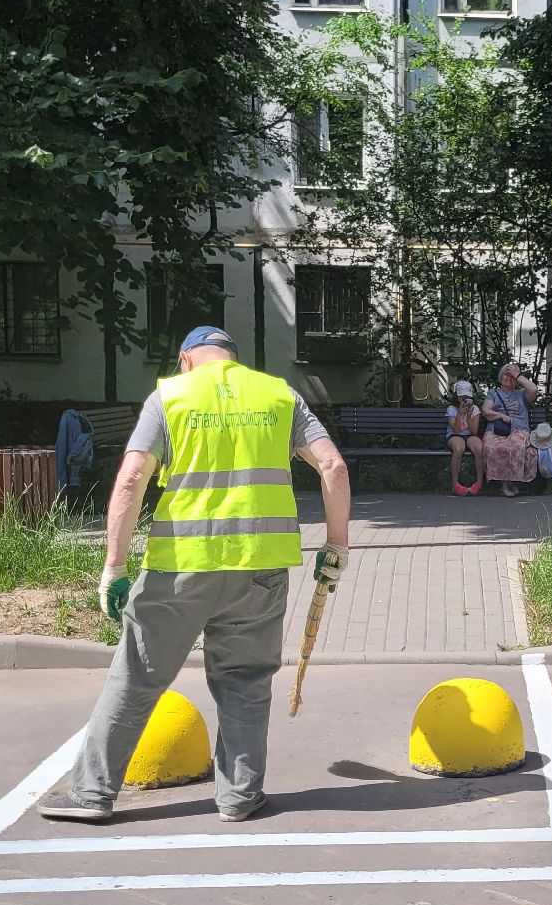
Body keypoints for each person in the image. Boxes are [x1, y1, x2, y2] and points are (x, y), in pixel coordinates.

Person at [38, 326, 352, 824]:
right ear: (233, 359)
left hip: (179, 569)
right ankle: (240, 797)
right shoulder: (278, 395)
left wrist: (114, 565)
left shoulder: (170, 397)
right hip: (260, 568)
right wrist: (336, 546)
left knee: (136, 677)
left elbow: (131, 478)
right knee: (246, 682)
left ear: (186, 359)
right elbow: (333, 467)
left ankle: (91, 795)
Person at [479, 361, 539, 497]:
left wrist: (517, 375)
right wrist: (501, 416)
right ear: (500, 377)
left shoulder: (522, 394)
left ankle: (509, 483)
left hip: (519, 429)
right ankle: (506, 483)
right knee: (492, 446)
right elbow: (486, 411)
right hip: (497, 429)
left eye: (512, 376)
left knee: (516, 445)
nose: (508, 377)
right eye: (506, 374)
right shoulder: (493, 393)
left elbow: (534, 390)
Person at [445, 380, 483, 496]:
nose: (465, 400)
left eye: (467, 397)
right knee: (458, 448)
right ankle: (455, 484)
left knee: (479, 448)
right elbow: (456, 430)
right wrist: (460, 414)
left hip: (470, 435)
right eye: (462, 397)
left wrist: (468, 416)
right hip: (455, 435)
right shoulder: (451, 409)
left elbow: (474, 431)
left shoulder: (475, 409)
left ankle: (479, 483)